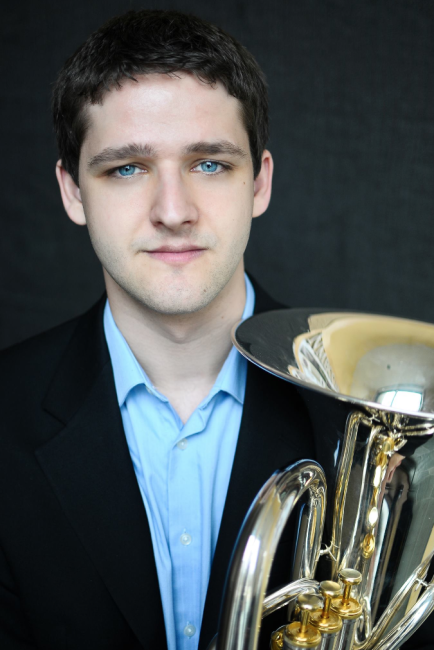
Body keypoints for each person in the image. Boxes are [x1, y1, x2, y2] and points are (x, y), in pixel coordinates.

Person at [0, 9, 431, 650]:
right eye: (126, 169)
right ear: (71, 192)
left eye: (209, 165)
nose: (172, 211)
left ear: (260, 181)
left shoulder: (380, 424)